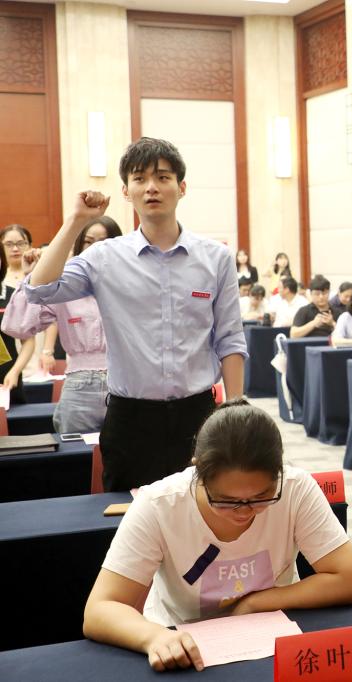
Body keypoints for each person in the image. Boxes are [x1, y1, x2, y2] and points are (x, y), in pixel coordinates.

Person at [24, 137, 247, 491]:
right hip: (130, 420)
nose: (151, 187)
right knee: (127, 517)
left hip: (198, 416)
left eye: (163, 177)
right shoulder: (104, 257)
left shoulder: (215, 258)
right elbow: (39, 290)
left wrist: (235, 410)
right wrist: (76, 221)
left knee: (203, 510)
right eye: (140, 179)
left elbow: (230, 338)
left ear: (182, 187)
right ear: (126, 191)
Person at [82, 400, 352, 672]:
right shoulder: (160, 505)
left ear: (278, 473)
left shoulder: (295, 489)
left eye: (262, 497)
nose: (244, 511)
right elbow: (100, 609)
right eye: (226, 500)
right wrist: (154, 637)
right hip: (182, 645)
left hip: (267, 636)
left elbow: (350, 580)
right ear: (198, 471)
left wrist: (258, 602)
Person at [3, 216, 121, 433]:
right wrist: (33, 276)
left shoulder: (131, 284)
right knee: (76, 452)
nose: (95, 248)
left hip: (127, 385)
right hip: (80, 387)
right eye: (88, 241)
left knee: (130, 452)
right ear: (79, 246)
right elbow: (17, 327)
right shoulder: (65, 284)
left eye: (104, 241)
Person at [0, 226, 34, 402]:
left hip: (7, 377)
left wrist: (15, 371)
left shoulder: (12, 294)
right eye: (9, 244)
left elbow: (28, 340)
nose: (14, 248)